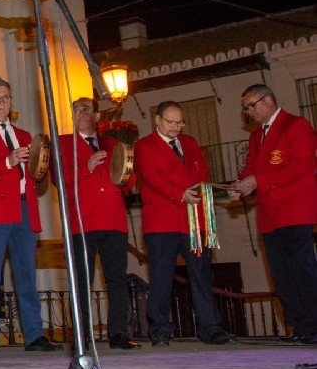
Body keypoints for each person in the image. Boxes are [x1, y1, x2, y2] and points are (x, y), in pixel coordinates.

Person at [0, 78, 60, 354]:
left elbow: (38, 175)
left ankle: (33, 334)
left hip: (24, 209)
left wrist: (42, 163)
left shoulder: (25, 134)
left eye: (6, 97)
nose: (2, 102)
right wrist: (9, 160)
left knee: (26, 275)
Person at [134, 101, 235, 347]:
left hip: (194, 222)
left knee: (201, 275)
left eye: (179, 122)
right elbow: (151, 177)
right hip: (162, 223)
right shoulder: (144, 145)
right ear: (157, 120)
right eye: (170, 122)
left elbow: (202, 176)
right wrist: (179, 194)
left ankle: (211, 328)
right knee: (161, 276)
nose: (176, 127)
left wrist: (209, 193)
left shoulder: (190, 143)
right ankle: (159, 329)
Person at [233, 85, 317, 344]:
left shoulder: (297, 125)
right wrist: (242, 185)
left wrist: (257, 180)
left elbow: (301, 167)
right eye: (246, 108)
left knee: (303, 271)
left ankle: (314, 325)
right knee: (281, 274)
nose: (249, 112)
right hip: (269, 217)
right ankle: (298, 327)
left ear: (268, 100)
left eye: (252, 105)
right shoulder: (256, 137)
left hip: (294, 211)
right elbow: (250, 169)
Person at [55, 97, 140, 350]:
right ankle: (82, 336)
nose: (79, 114)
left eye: (85, 110)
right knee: (83, 280)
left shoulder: (113, 143)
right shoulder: (62, 144)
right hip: (82, 221)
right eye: (75, 110)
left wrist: (124, 177)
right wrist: (86, 166)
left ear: (97, 116)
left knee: (116, 279)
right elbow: (58, 180)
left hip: (113, 221)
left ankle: (118, 334)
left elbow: (130, 178)